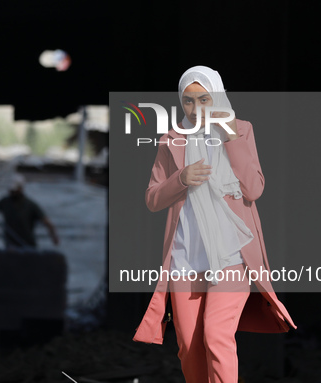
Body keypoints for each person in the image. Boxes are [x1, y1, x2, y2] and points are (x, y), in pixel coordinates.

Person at [132, 66, 297, 383]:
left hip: (231, 255)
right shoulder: (171, 140)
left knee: (215, 335)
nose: (195, 108)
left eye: (204, 99)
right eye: (188, 101)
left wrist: (231, 135)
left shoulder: (241, 129)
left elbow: (253, 189)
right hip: (185, 259)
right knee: (190, 348)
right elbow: (153, 199)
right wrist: (181, 178)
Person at [0, 174, 59, 249]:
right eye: (11, 191)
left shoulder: (30, 205)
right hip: (11, 246)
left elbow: (46, 222)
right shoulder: (5, 202)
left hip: (27, 245)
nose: (12, 193)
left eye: (15, 190)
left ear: (21, 188)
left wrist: (53, 236)